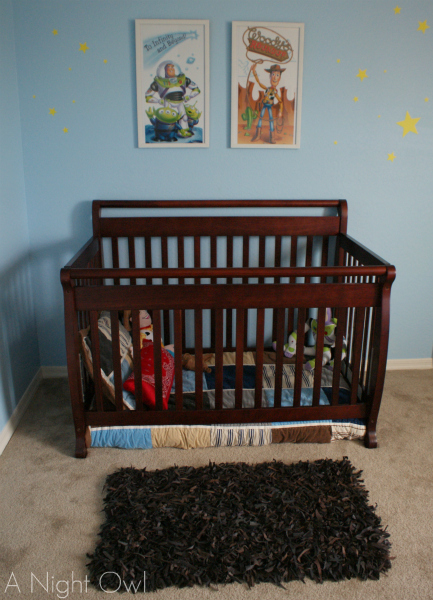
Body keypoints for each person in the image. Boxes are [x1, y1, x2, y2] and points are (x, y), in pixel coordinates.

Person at [145, 61, 200, 138]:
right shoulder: (159, 82)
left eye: (172, 67)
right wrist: (158, 101)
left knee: (184, 118)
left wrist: (190, 96)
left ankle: (183, 131)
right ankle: (168, 133)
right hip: (168, 101)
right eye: (168, 67)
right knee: (168, 118)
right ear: (164, 70)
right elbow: (147, 96)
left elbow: (196, 89)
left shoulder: (183, 79)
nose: (171, 69)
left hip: (180, 101)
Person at [250, 63, 284, 144]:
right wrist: (254, 72)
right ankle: (258, 135)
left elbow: (280, 102)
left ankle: (272, 137)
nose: (275, 77)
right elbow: (259, 83)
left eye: (277, 75)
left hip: (269, 106)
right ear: (270, 76)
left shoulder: (275, 92)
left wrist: (280, 111)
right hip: (264, 105)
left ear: (279, 78)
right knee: (260, 118)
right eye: (273, 74)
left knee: (271, 120)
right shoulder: (267, 89)